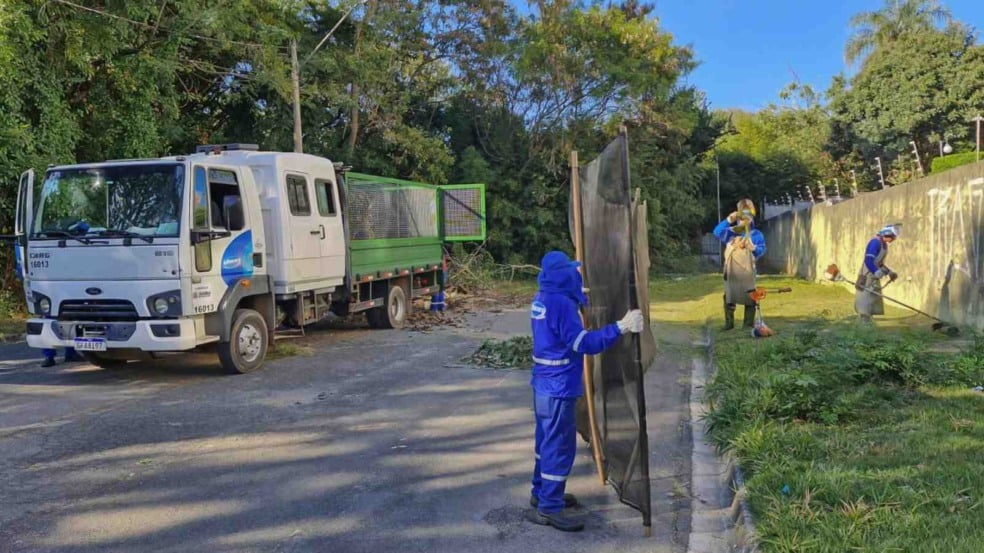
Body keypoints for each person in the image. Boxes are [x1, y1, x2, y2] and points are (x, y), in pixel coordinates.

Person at [527, 251, 644, 532]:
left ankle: (541, 493)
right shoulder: (562, 305)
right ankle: (549, 508)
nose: (576, 275)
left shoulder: (543, 297)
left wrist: (580, 297)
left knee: (545, 443)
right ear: (563, 276)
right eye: (572, 272)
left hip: (543, 384)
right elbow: (583, 344)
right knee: (559, 447)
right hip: (559, 386)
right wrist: (621, 327)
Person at [713, 199, 767, 330]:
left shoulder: (757, 235)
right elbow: (717, 231)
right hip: (732, 271)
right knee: (729, 296)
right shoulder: (730, 232)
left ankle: (748, 324)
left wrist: (753, 248)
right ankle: (729, 323)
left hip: (748, 271)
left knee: (751, 297)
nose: (745, 221)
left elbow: (761, 250)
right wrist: (728, 220)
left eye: (748, 217)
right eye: (742, 217)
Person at [855, 225, 900, 323]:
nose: (893, 239)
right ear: (886, 234)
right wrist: (876, 271)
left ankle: (868, 323)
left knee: (872, 303)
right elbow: (868, 260)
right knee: (864, 304)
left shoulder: (884, 245)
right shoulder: (875, 242)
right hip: (866, 277)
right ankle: (863, 326)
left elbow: (879, 263)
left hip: (874, 278)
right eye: (892, 236)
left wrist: (889, 272)